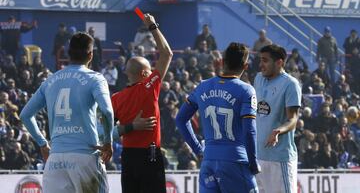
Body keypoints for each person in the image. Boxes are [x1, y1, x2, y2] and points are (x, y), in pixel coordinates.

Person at [19, 32, 114, 193]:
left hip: (55, 160)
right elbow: (107, 112)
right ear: (90, 54)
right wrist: (108, 141)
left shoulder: (50, 80)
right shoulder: (95, 78)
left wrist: (43, 143)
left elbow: (25, 115)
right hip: (85, 157)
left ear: (68, 53)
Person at [176, 42, 260, 193]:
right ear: (246, 66)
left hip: (209, 162)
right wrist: (253, 162)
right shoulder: (246, 90)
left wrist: (198, 150)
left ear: (222, 61)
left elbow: (180, 119)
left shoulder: (202, 86)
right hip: (236, 161)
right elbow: (249, 131)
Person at [111, 14, 173, 193]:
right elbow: (167, 53)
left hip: (128, 156)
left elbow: (107, 132)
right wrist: (152, 26)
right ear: (146, 74)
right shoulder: (148, 87)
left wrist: (130, 127)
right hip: (150, 153)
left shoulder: (116, 98)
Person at [254, 44, 302, 193]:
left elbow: (293, 119)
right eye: (260, 60)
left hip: (279, 158)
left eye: (265, 60)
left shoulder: (290, 84)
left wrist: (277, 131)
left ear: (279, 62)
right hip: (258, 157)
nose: (261, 64)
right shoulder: (258, 79)